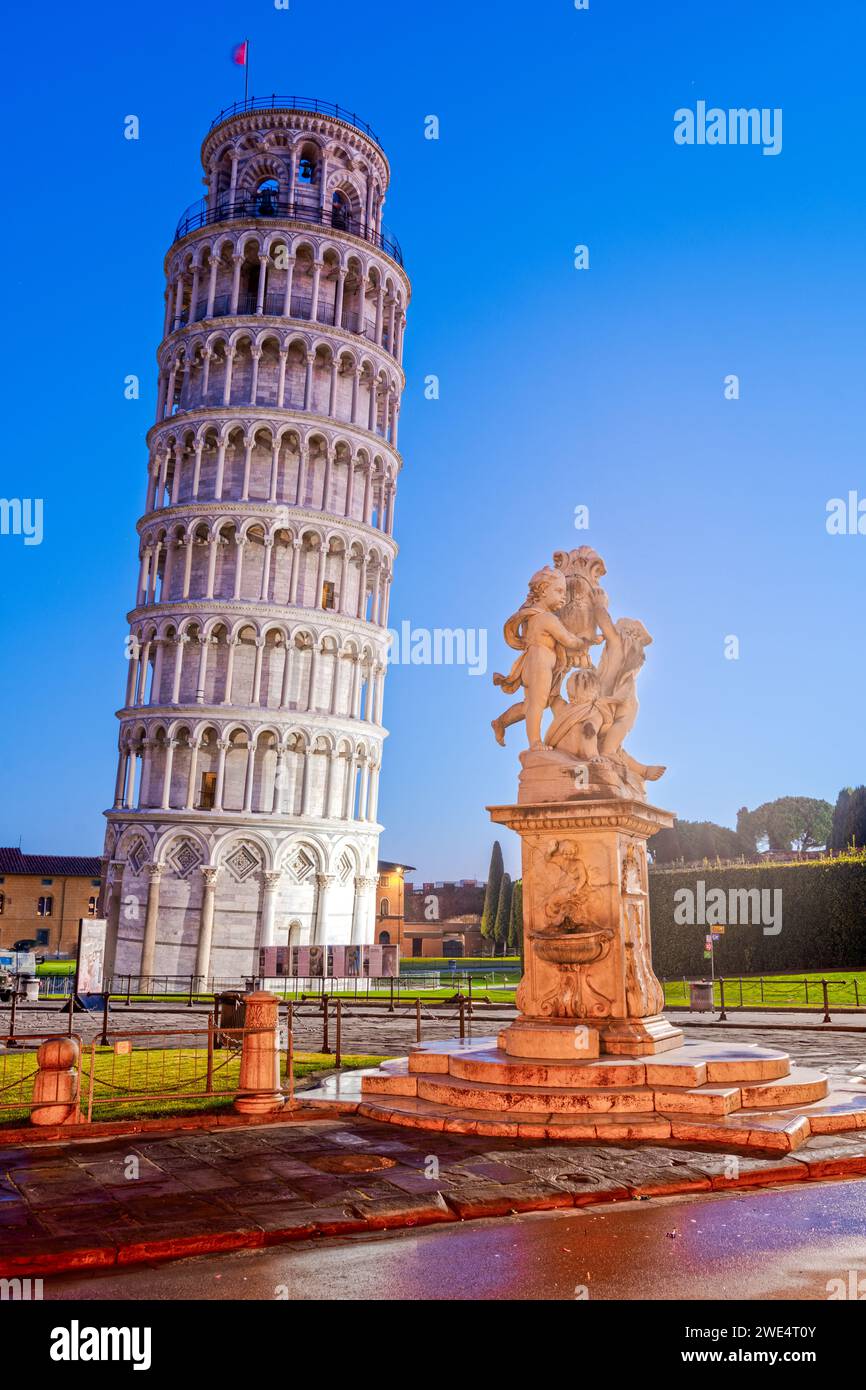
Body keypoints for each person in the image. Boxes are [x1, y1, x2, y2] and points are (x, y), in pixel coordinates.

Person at [492, 567, 593, 750]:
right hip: (540, 663)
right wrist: (586, 641)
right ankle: (535, 743)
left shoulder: (534, 617)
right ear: (544, 589)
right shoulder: (546, 618)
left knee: (531, 704)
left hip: (538, 663)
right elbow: (568, 640)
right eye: (559, 591)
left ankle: (500, 722)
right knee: (536, 704)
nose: (563, 596)